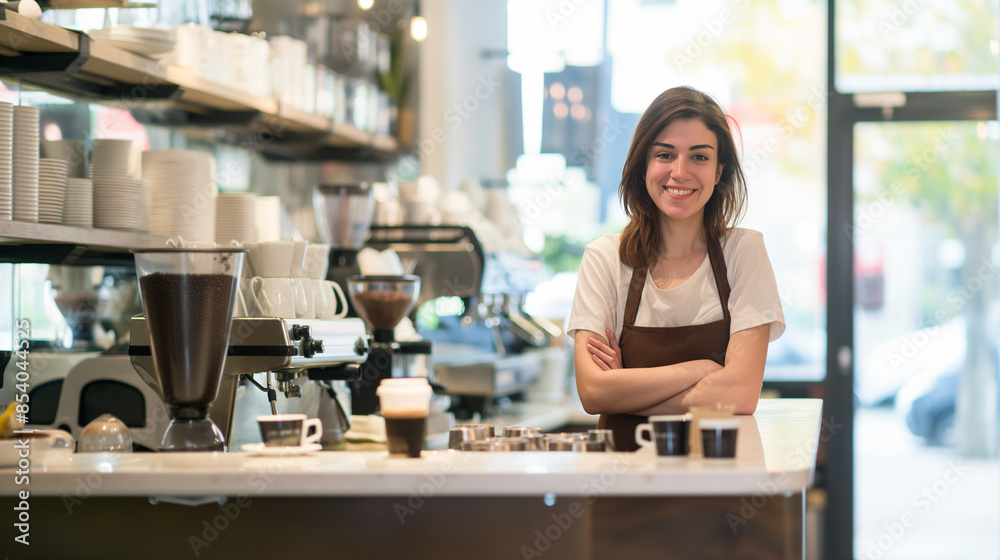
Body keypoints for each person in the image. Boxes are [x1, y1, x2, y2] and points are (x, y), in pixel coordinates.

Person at [566, 86, 785, 451]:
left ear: (719, 171)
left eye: (699, 157)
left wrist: (626, 390)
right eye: (665, 154)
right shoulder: (604, 258)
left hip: (716, 484)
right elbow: (592, 392)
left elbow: (742, 394)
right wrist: (702, 371)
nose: (680, 172)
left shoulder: (744, 253)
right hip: (620, 486)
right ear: (643, 166)